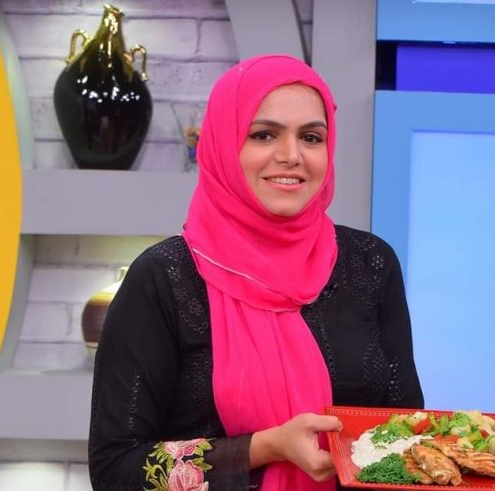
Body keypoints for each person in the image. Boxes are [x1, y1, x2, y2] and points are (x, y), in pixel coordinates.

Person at [88, 54, 423, 491]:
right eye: (263, 134)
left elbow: (405, 436)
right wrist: (263, 448)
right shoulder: (164, 277)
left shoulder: (370, 263)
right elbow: (117, 469)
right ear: (224, 144)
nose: (291, 156)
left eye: (311, 137)